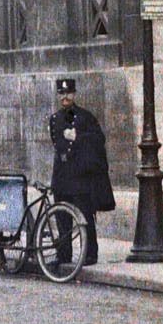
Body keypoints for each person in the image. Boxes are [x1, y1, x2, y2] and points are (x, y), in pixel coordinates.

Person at [46, 77, 115, 267]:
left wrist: (79, 137)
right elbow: (58, 148)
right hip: (62, 175)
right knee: (62, 218)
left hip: (79, 176)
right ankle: (64, 254)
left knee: (85, 217)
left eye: (68, 93)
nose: (65, 97)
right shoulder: (55, 119)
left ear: (74, 94)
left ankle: (90, 254)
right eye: (61, 93)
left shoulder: (86, 117)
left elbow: (98, 139)